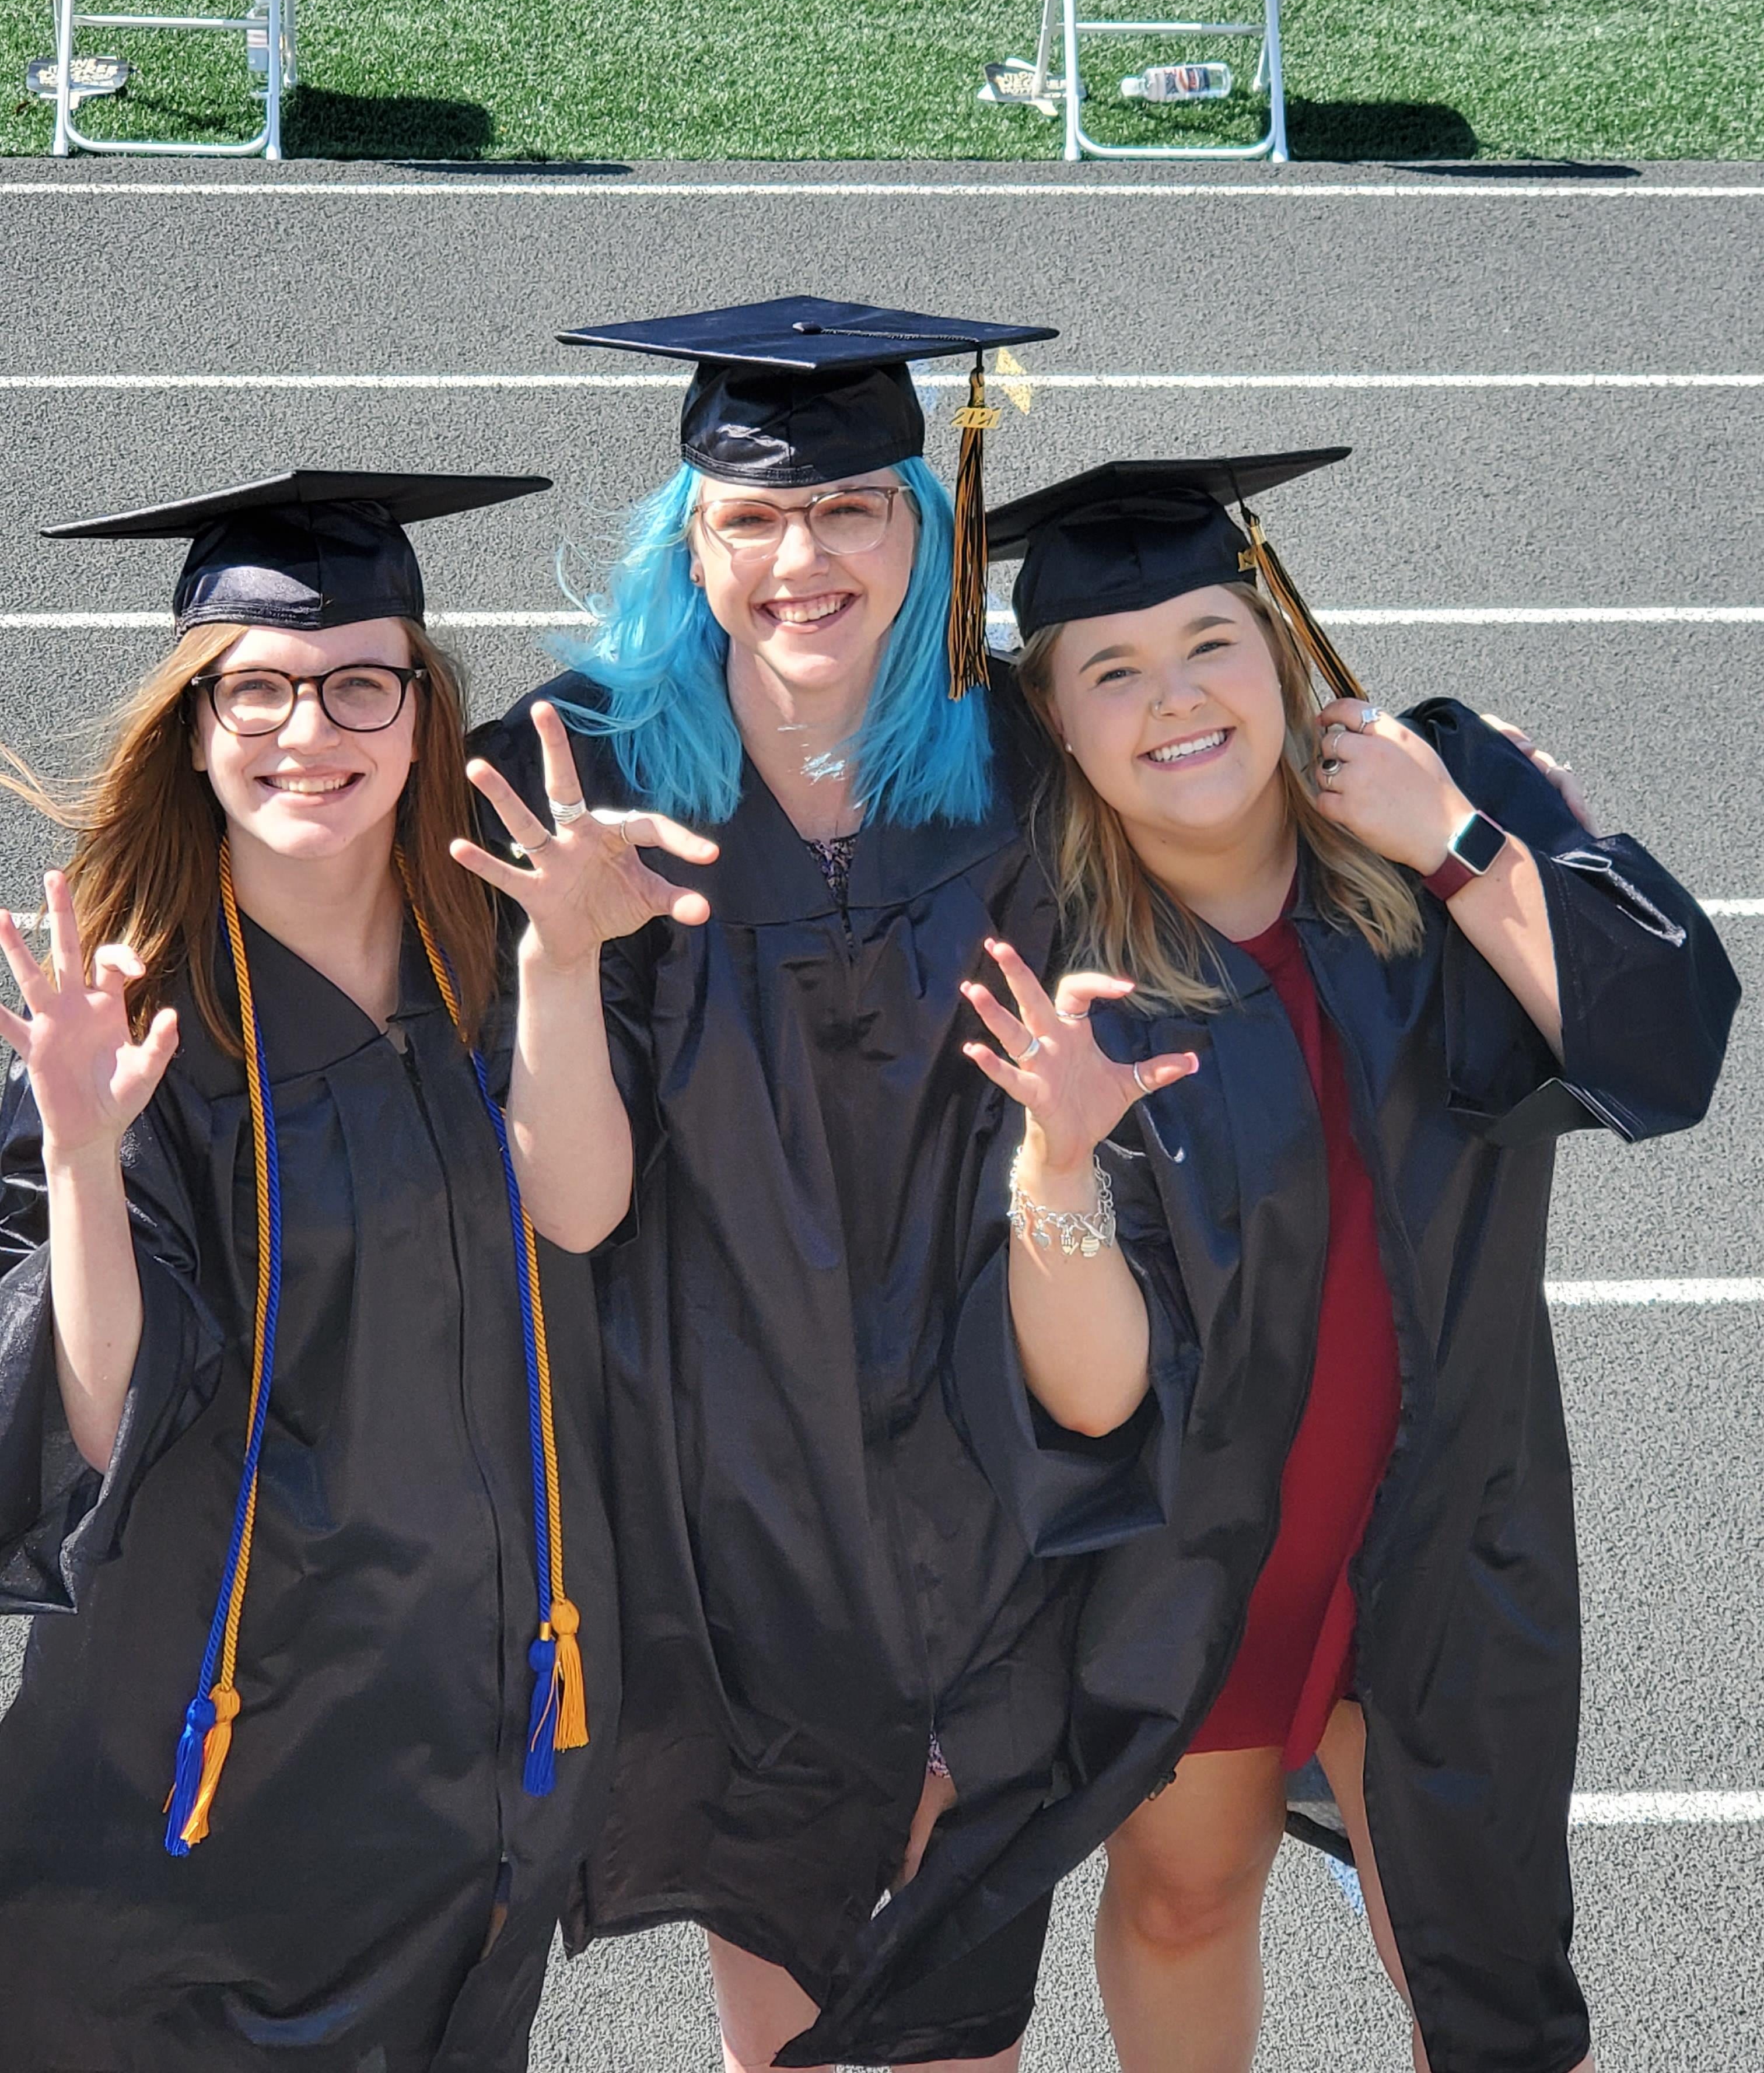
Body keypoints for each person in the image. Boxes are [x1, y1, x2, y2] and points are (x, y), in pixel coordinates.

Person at [791, 453, 1738, 2073]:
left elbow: (1665, 1037)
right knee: (1183, 1894)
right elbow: (1088, 1395)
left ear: (1279, 647)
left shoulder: (1440, 804)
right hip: (1210, 1540)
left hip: (1447, 1510)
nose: (1176, 698)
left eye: (1211, 642)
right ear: (1060, 724)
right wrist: (1062, 1163)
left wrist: (1450, 841)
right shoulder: (1044, 965)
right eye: (1114, 669)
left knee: (1482, 1968)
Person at [0, 469, 709, 2072]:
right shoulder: (131, 1026)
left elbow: (579, 1213)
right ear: (195, 726)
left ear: (420, 712)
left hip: (478, 1701)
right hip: (228, 1735)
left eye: (357, 687)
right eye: (256, 690)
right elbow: (99, 1421)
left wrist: (564, 965)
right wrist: (84, 1157)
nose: (308, 731)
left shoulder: (488, 939)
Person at [472, 296, 1096, 2073]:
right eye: (751, 517)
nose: (801, 557)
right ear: (691, 540)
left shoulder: (1017, 758)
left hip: (984, 1446)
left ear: (927, 521)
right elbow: (569, 1210)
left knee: (965, 2004)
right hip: (717, 1471)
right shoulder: (578, 771)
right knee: (800, 2000)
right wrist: (559, 964)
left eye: (852, 510)